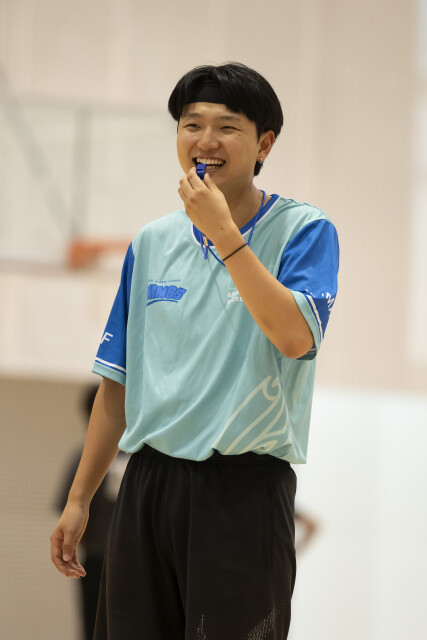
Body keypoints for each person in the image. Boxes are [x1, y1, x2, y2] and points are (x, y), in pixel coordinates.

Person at [50, 62, 339, 640]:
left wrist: (225, 234)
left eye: (227, 127)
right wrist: (80, 499)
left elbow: (294, 337)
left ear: (264, 144)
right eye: (191, 124)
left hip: (242, 491)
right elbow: (117, 384)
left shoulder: (306, 231)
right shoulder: (151, 242)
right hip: (145, 486)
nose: (206, 140)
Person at [54, 385, 129, 640]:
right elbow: (67, 510)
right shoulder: (84, 460)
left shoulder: (142, 460)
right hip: (100, 560)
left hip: (120, 558)